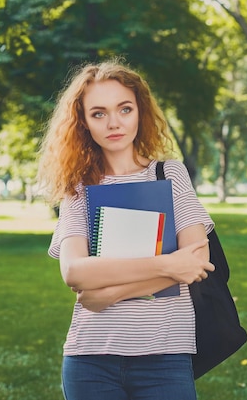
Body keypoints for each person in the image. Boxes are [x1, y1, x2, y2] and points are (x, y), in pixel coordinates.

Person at [37, 57, 216, 400]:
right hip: (90, 360)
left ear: (140, 112)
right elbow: (75, 272)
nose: (114, 123)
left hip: (166, 356)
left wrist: (106, 292)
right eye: (98, 113)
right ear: (83, 123)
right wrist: (166, 265)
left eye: (125, 109)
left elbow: (197, 259)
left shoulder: (169, 174)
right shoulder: (78, 189)